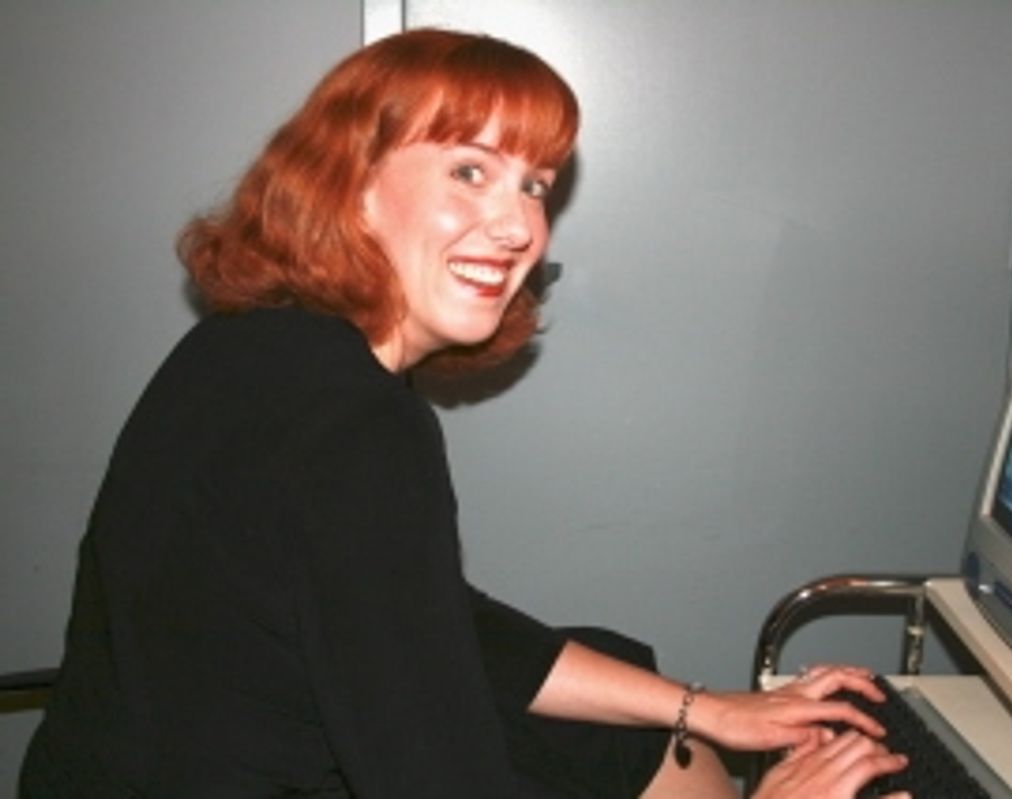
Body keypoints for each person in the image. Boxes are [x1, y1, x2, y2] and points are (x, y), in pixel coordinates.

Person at [20, 28, 909, 798]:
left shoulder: (251, 347)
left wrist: (703, 705)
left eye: (535, 183)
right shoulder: (359, 425)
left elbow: (428, 616)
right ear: (352, 186)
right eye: (469, 170)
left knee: (625, 701)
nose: (520, 225)